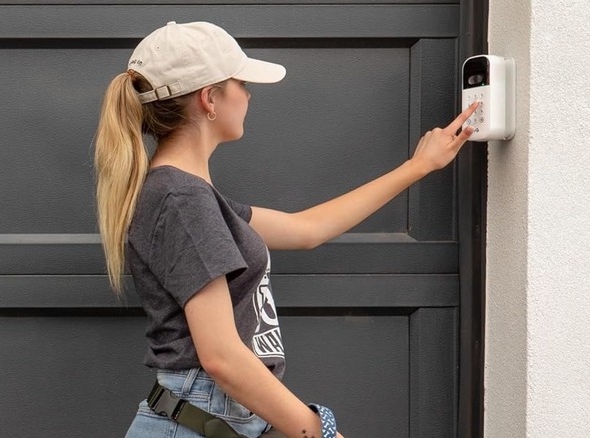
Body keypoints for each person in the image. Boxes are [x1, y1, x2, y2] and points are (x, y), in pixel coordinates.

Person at [94, 20, 478, 438]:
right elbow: (221, 356)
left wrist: (418, 167)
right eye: (241, 83)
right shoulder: (183, 200)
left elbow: (306, 229)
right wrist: (317, 431)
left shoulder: (193, 196)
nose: (249, 95)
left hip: (212, 417)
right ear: (209, 99)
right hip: (201, 418)